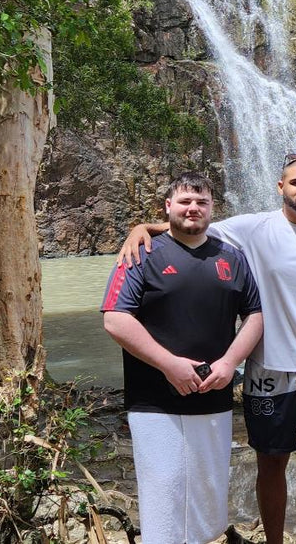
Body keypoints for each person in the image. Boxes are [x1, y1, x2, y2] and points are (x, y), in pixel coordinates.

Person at [117, 154, 296, 544]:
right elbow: (191, 224)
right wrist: (140, 228)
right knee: (270, 463)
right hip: (266, 368)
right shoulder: (252, 228)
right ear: (280, 187)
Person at [101, 172, 264, 544]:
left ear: (212, 209)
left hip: (215, 395)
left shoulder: (232, 256)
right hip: (154, 400)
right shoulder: (140, 254)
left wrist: (229, 362)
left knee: (209, 495)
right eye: (185, 201)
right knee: (163, 492)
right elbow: (115, 319)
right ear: (168, 207)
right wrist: (169, 364)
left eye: (201, 202)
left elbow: (255, 315)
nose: (193, 208)